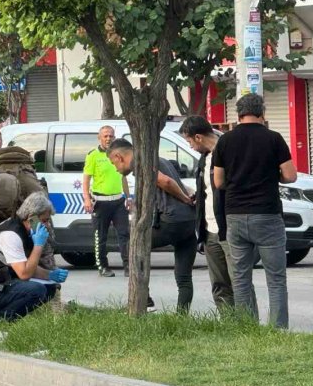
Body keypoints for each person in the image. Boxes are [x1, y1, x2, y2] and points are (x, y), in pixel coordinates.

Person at [213, 93, 297, 329]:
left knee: (240, 277)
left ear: (238, 114)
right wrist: (273, 175)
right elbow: (290, 175)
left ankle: (247, 327)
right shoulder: (274, 139)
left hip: (235, 215)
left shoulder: (225, 141)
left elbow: (218, 182)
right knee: (276, 278)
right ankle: (278, 328)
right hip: (267, 214)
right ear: (262, 112)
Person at [107, 139, 196, 312]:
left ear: (119, 156)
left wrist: (184, 198)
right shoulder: (157, 158)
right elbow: (176, 181)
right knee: (184, 276)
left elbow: (166, 182)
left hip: (171, 220)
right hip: (188, 221)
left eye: (113, 163)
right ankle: (182, 316)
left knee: (132, 246)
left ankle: (144, 301)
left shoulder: (141, 162)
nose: (115, 168)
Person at [0, 193, 68, 321]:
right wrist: (38, 245)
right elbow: (24, 274)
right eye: (44, 221)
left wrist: (50, 275)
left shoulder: (23, 230)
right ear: (31, 218)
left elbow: (24, 266)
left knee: (49, 289)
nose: (47, 225)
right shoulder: (11, 234)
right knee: (36, 290)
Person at [179, 115, 235, 310]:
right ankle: (228, 323)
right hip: (210, 230)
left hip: (229, 228)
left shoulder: (228, 152)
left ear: (198, 137)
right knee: (219, 283)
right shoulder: (204, 160)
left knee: (238, 281)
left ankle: (246, 324)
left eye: (189, 141)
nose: (190, 147)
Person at [83, 126, 130, 278]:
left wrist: (128, 197)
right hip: (100, 202)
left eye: (111, 136)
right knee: (100, 236)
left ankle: (128, 265)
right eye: (105, 136)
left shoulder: (118, 154)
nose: (108, 138)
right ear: (99, 138)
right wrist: (87, 199)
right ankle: (103, 266)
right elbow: (86, 179)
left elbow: (123, 176)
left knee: (124, 234)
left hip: (118, 201)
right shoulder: (93, 155)